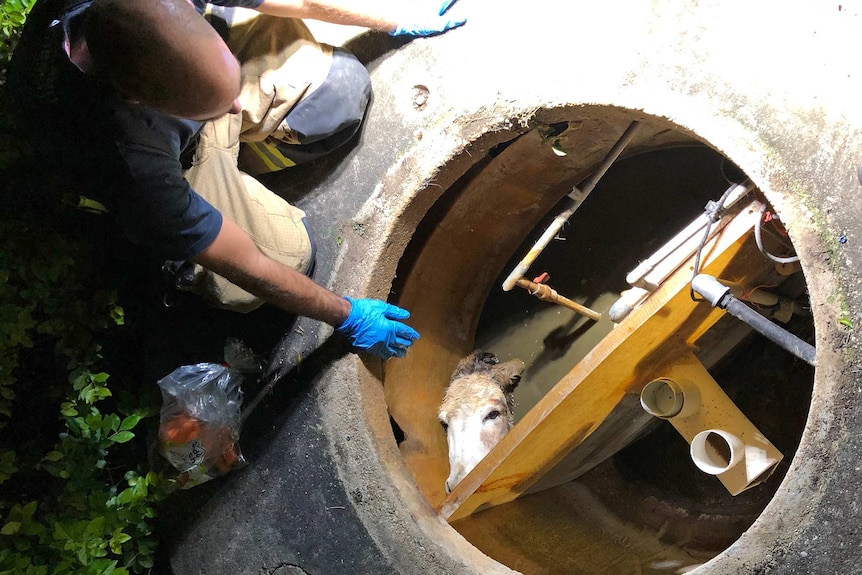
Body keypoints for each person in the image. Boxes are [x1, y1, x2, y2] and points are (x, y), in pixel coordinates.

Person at [6, 0, 467, 359]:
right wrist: (346, 315)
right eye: (216, 105)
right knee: (284, 261)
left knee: (340, 93)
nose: (235, 107)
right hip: (176, 161)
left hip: (180, 97)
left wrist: (393, 16)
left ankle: (231, 132)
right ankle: (218, 180)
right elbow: (246, 264)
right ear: (139, 98)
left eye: (229, 95)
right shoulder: (124, 161)